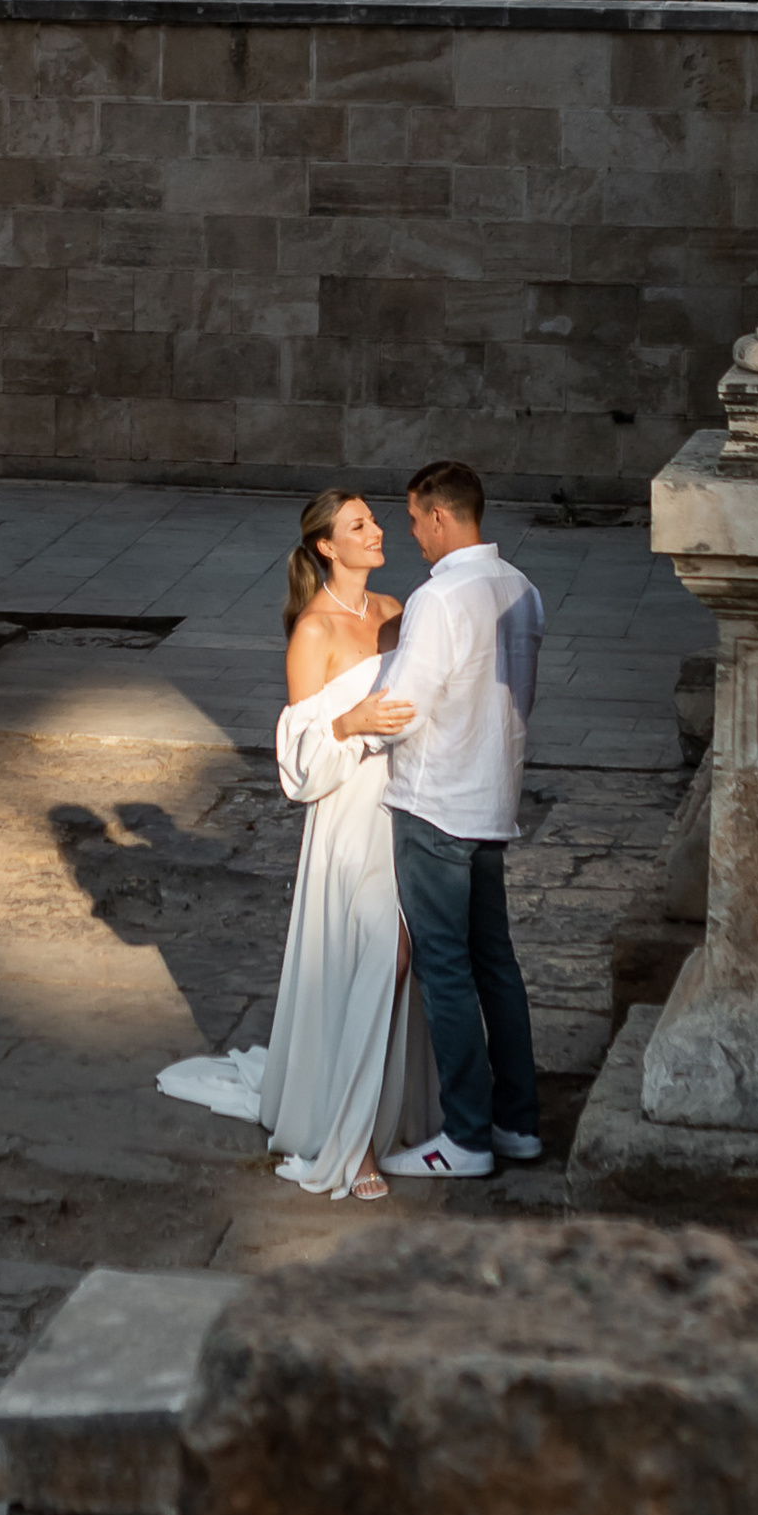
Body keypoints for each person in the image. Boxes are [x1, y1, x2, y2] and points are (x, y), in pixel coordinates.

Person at [156, 489, 439, 1199]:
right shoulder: (313, 632)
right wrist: (350, 723)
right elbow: (299, 761)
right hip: (350, 816)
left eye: (374, 520)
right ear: (326, 547)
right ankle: (352, 1143)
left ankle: (386, 1111)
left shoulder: (397, 610)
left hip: (406, 803)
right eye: (359, 525)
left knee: (405, 958)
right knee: (385, 954)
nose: (377, 531)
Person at [371, 457, 544, 1181]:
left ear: (442, 515)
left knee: (446, 972)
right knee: (495, 964)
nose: (412, 534)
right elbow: (521, 698)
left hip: (436, 801)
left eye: (414, 519)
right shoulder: (523, 590)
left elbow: (400, 707)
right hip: (491, 796)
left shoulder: (437, 600)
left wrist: (354, 731)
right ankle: (516, 1122)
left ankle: (467, 1135)